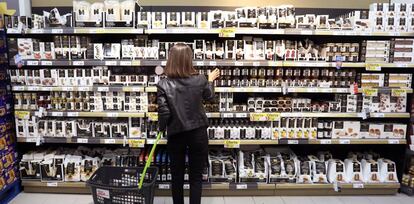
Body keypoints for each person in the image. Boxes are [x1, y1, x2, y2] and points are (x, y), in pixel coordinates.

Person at [157, 43, 220, 204]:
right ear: (189, 59)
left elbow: (164, 112)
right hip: (198, 132)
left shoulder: (163, 84)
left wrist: (161, 129)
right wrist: (210, 80)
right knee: (196, 177)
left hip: (176, 133)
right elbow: (210, 96)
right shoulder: (200, 79)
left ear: (171, 60)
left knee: (176, 176)